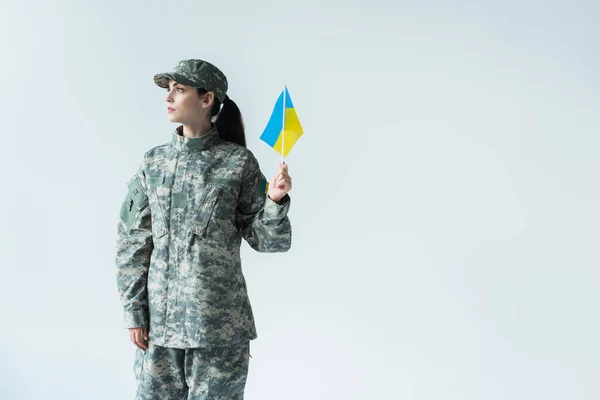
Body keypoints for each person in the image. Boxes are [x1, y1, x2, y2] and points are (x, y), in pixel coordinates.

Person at [115, 59, 292, 400]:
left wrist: (274, 200)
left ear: (206, 98)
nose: (169, 98)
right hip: (159, 330)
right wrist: (134, 311)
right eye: (168, 90)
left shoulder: (238, 163)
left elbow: (270, 242)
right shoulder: (153, 163)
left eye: (179, 90)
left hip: (218, 330)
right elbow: (132, 242)